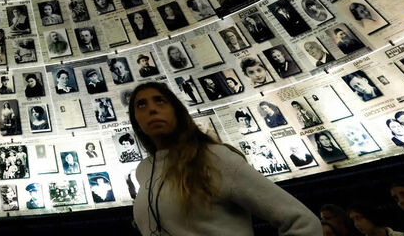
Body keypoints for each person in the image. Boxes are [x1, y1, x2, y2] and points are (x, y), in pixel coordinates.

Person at [128, 82, 320, 235]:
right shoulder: (144, 170)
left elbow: (302, 222)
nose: (152, 109)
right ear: (135, 119)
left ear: (177, 111)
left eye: (160, 101)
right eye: (141, 104)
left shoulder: (214, 157)